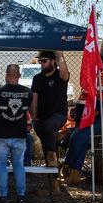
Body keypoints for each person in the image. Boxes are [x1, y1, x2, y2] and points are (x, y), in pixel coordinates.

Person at [62, 61, 103, 185]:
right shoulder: (90, 76)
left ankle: (68, 166)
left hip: (93, 120)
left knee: (76, 139)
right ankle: (74, 173)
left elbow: (102, 104)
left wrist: (87, 117)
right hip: (84, 119)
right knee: (81, 144)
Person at [0, 64, 32, 203]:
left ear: (6, 75)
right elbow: (29, 109)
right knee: (19, 165)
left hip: (1, 134)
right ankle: (21, 197)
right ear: (19, 76)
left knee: (0, 166)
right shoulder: (27, 92)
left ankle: (4, 197)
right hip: (20, 134)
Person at [30, 50, 70, 194]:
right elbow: (34, 100)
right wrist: (34, 119)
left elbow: (65, 73)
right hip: (41, 119)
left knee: (48, 129)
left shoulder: (60, 75)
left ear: (53, 61)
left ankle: (54, 178)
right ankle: (53, 179)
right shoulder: (37, 78)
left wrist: (59, 54)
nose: (42, 64)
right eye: (40, 61)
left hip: (58, 116)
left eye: (45, 61)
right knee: (47, 145)